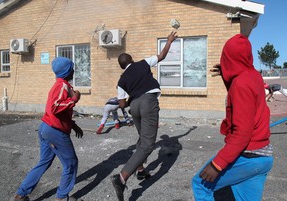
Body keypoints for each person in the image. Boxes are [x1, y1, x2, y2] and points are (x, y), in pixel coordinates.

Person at [192, 34, 274, 201]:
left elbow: (242, 133)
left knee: (200, 184)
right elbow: (240, 95)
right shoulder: (254, 76)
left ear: (227, 57)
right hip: (263, 158)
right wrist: (226, 72)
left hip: (248, 155)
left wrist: (217, 164)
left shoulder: (240, 84)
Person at [110, 31, 178, 201]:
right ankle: (121, 179)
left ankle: (140, 171)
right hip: (148, 102)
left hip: (134, 106)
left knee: (142, 139)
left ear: (121, 66)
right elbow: (161, 56)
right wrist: (169, 41)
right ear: (132, 60)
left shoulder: (121, 79)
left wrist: (129, 99)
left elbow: (121, 103)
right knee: (148, 145)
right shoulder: (143, 63)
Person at [10, 57, 83, 201]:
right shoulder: (62, 86)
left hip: (46, 127)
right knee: (71, 163)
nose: (74, 70)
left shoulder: (61, 85)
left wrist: (73, 124)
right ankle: (61, 197)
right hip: (55, 131)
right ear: (67, 71)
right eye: (72, 68)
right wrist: (74, 99)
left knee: (44, 161)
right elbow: (55, 107)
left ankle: (21, 194)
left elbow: (59, 111)